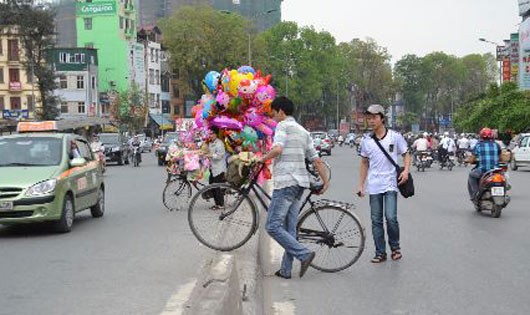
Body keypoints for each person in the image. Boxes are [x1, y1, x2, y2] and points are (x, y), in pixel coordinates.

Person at [259, 96, 329, 279]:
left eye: (273, 113)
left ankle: (304, 254)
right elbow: (317, 160)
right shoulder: (303, 131)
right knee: (290, 228)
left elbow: (278, 149)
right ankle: (286, 270)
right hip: (300, 185)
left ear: (281, 111)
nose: (273, 117)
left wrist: (261, 159)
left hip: (287, 182)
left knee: (272, 226)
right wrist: (326, 181)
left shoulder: (283, 126)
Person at [356, 104, 411, 263]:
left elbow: (406, 154)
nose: (371, 121)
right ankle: (380, 252)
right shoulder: (366, 140)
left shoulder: (395, 137)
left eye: (374, 117)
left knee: (391, 217)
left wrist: (406, 170)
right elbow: (364, 163)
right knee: (376, 220)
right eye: (369, 118)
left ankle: (395, 248)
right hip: (374, 185)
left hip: (391, 183)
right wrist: (361, 185)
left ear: (382, 118)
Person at [468, 128, 501, 201]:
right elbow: (500, 157)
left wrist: (469, 161)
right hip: (496, 171)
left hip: (483, 171)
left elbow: (472, 159)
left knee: (471, 175)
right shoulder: (496, 145)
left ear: (481, 136)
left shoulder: (478, 145)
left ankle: (476, 193)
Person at [207, 126, 227, 209]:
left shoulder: (220, 143)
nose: (210, 135)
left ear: (216, 134)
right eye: (210, 133)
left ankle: (221, 204)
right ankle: (217, 203)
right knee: (211, 185)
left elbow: (219, 156)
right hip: (213, 168)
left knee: (216, 187)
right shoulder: (211, 143)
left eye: (212, 133)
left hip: (219, 169)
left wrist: (210, 155)